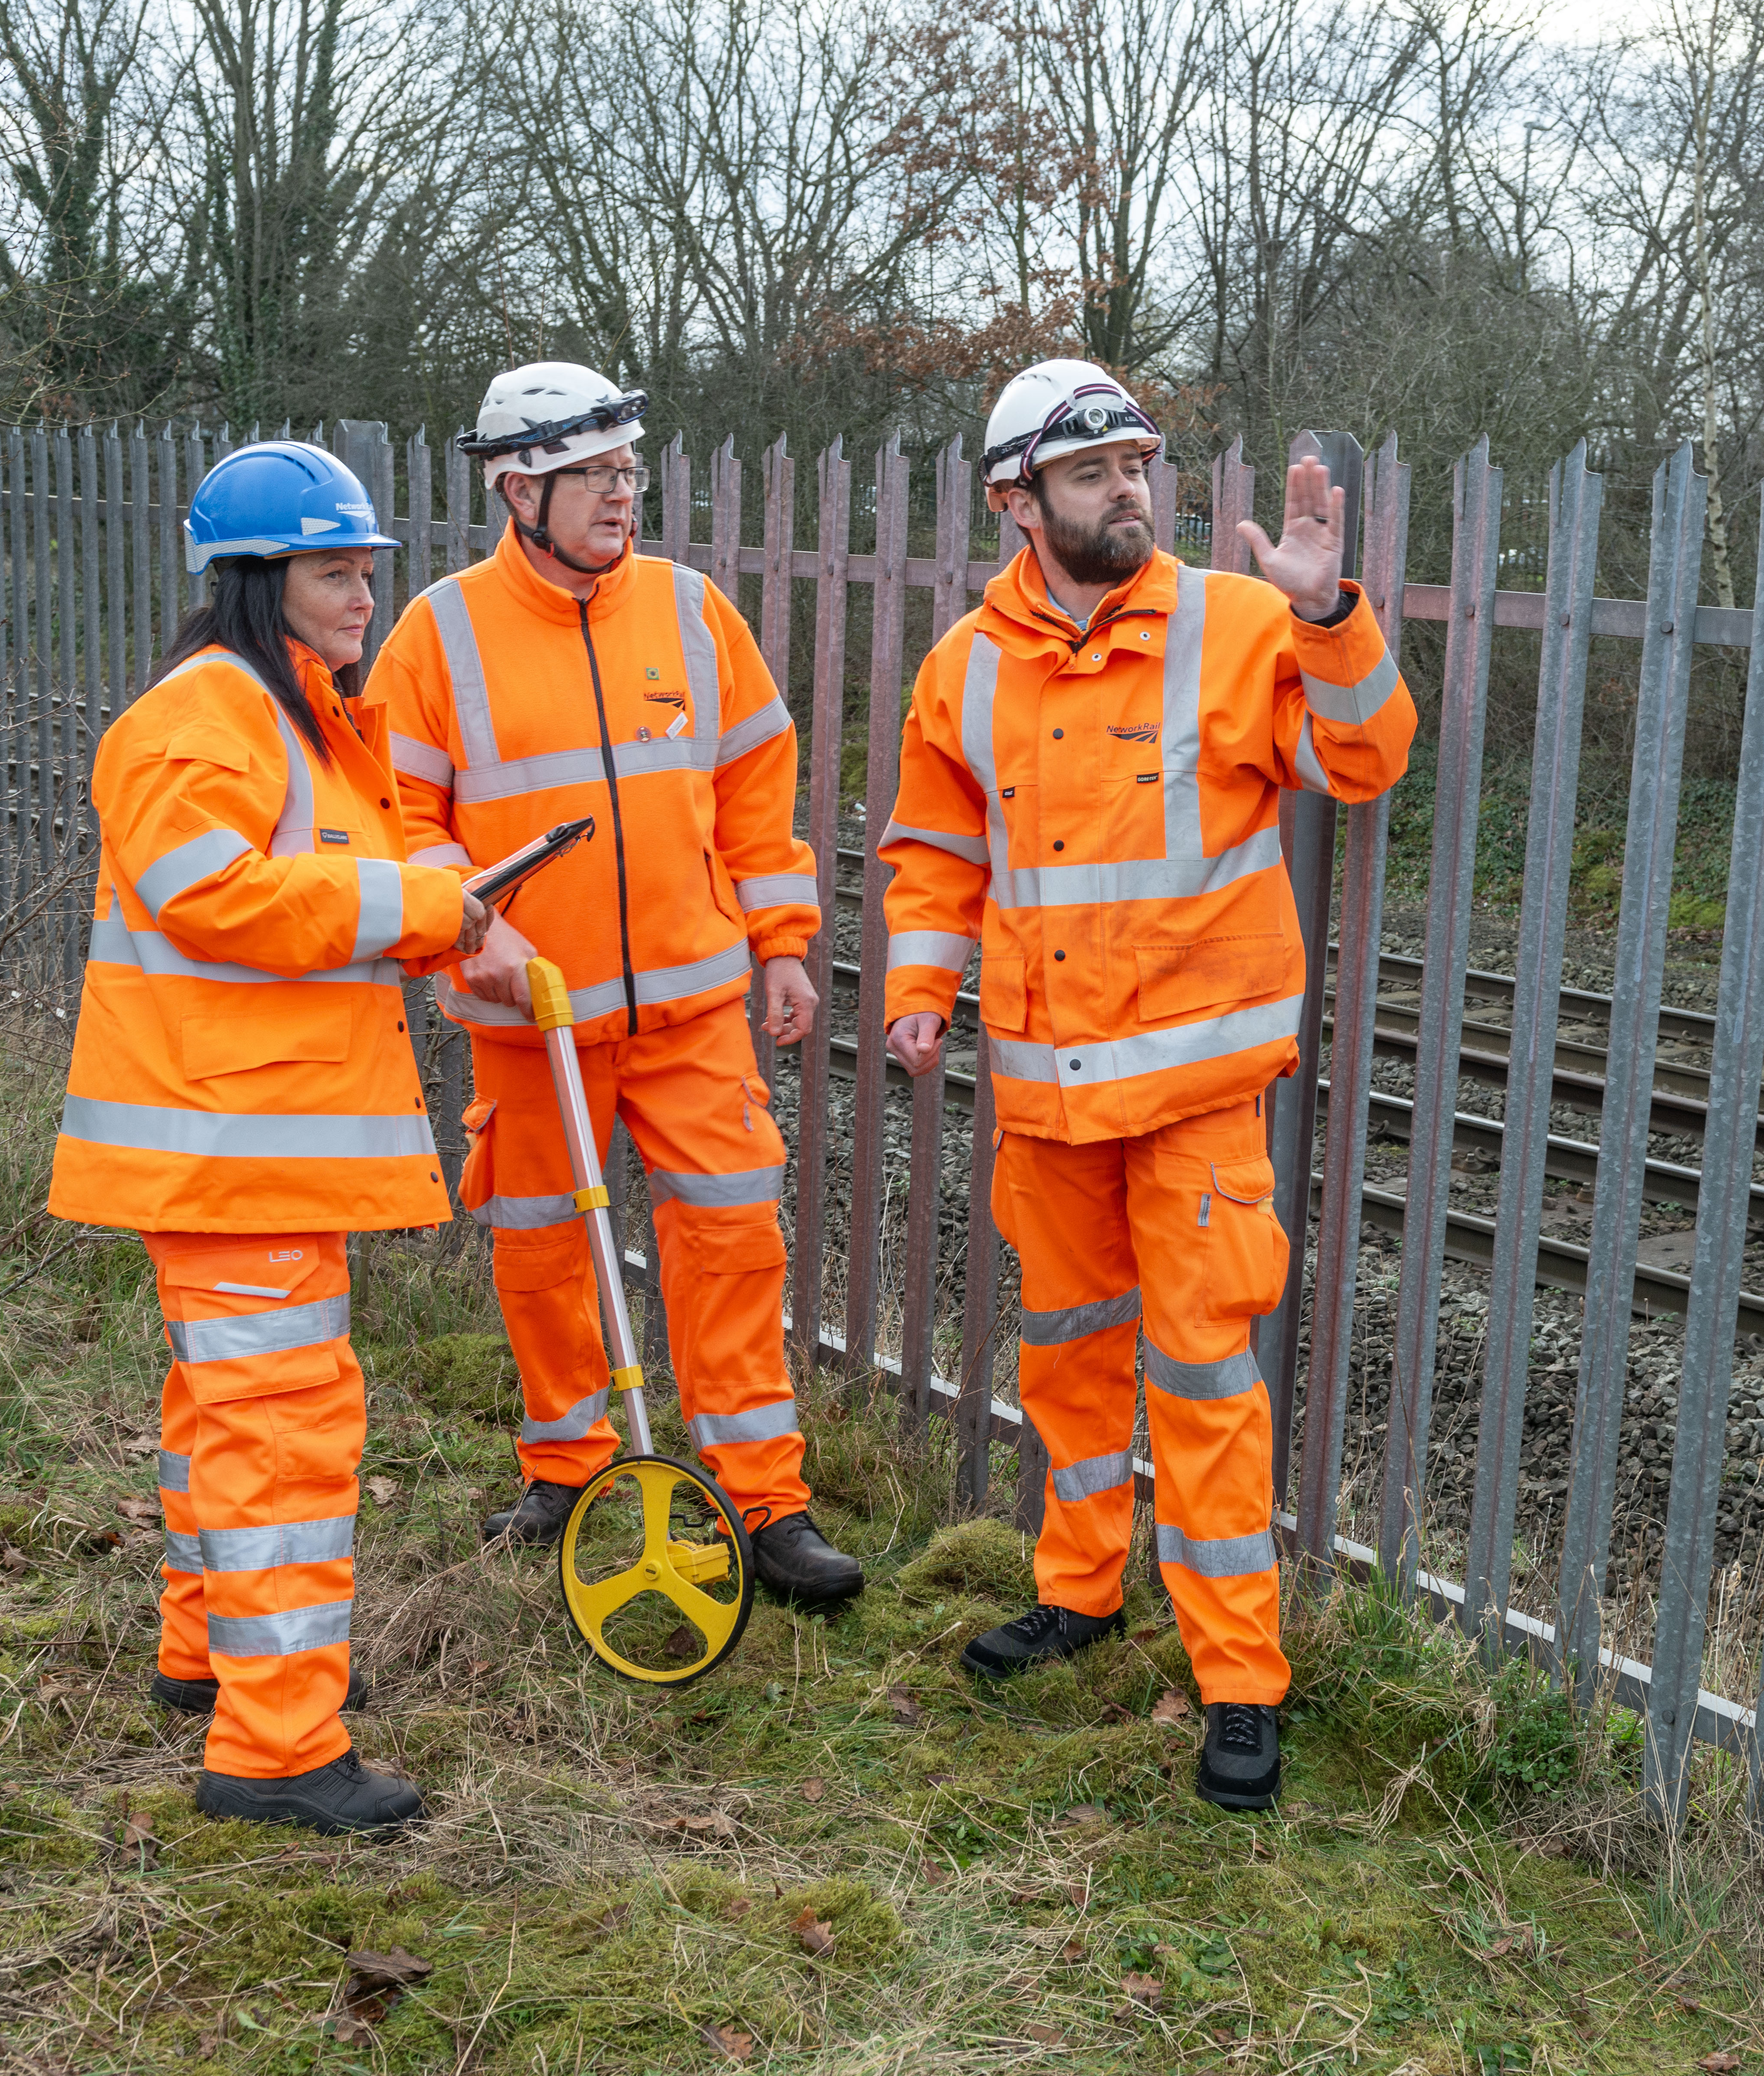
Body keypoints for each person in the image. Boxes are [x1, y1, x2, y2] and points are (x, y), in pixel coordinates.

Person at [878, 359, 1416, 1810]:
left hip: (1192, 1102)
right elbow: (936, 850)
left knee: (1201, 1389)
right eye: (1092, 472)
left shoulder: (1239, 627)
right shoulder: (965, 666)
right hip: (1044, 1099)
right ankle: (1079, 1595)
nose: (1128, 490)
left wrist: (1324, 612)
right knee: (1062, 1367)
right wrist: (921, 993)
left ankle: (1238, 1682)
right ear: (1017, 502)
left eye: (1138, 465)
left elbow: (1364, 761)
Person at [48, 440, 488, 1835]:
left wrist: (435, 893)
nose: (363, 598)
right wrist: (416, 907)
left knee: (218, 1422)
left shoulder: (289, 715)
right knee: (283, 1442)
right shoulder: (205, 721)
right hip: (239, 1152)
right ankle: (278, 1747)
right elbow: (216, 897)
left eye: (365, 571)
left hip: (254, 1143)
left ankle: (208, 1659)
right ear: (254, 580)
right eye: (332, 572)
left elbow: (319, 887)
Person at [371, 362, 863, 1607]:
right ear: (516, 487)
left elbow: (757, 795)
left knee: (733, 1245)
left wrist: (784, 940)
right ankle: (570, 1469)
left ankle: (762, 1502)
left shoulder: (694, 616)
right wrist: (466, 920)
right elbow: (397, 816)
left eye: (626, 471)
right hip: (530, 1023)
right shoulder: (439, 632)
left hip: (695, 1018)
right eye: (591, 475)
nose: (619, 495)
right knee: (541, 1251)